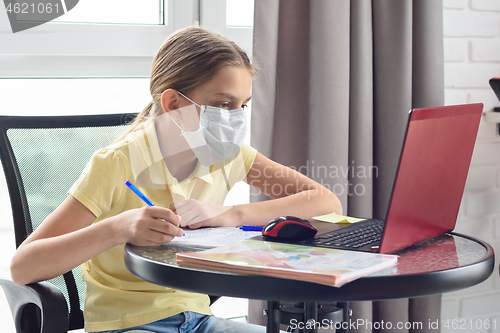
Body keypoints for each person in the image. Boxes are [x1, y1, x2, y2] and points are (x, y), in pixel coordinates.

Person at [10, 27, 342, 333]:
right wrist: (115, 229)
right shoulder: (118, 162)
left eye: (242, 105)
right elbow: (24, 267)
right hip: (125, 324)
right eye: (223, 104)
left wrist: (229, 214)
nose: (235, 118)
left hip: (199, 320)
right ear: (173, 103)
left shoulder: (230, 155)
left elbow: (326, 201)